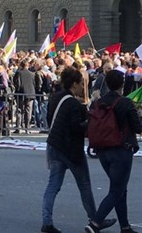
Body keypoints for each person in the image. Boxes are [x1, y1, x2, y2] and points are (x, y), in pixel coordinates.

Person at [41, 68, 114, 233]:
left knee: (53, 185)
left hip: (54, 146)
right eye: (81, 84)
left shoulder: (55, 98)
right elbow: (76, 128)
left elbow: (50, 119)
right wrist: (88, 121)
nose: (83, 87)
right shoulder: (74, 104)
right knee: (84, 185)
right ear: (74, 84)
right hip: (71, 150)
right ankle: (94, 219)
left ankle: (47, 221)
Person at [85, 70, 142, 233]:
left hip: (103, 150)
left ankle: (125, 226)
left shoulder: (98, 102)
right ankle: (95, 222)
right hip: (121, 149)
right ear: (122, 85)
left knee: (119, 188)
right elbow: (138, 128)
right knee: (117, 190)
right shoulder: (125, 102)